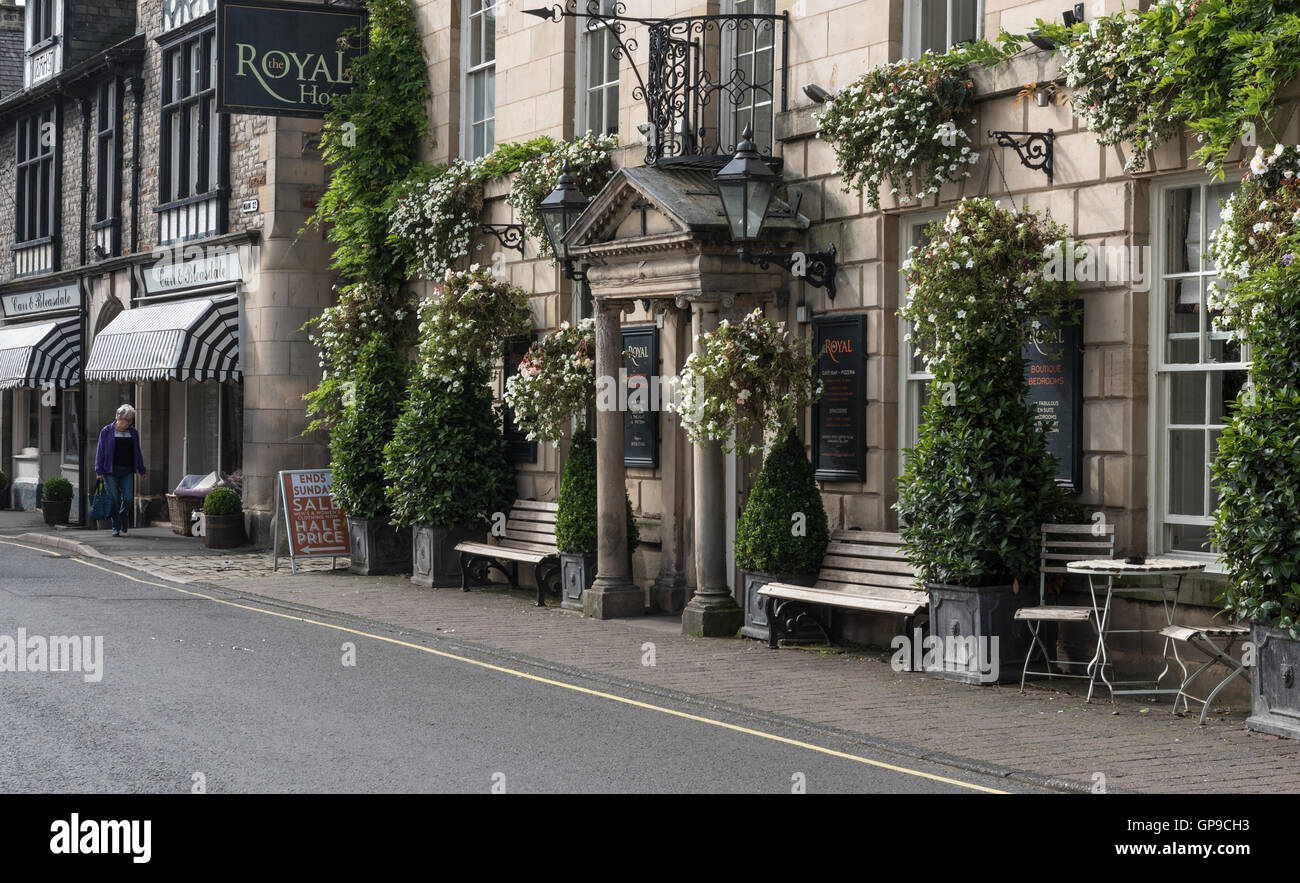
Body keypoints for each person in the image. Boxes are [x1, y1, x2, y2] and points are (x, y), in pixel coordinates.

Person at [94, 404, 148, 537]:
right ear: (119, 418)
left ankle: (122, 516)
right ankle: (116, 526)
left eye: (131, 421)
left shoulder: (133, 432)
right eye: (127, 420)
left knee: (128, 499)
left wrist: (142, 469)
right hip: (110, 471)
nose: (129, 423)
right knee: (114, 499)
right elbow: (100, 452)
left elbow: (137, 452)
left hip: (127, 470)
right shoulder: (106, 431)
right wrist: (99, 471)